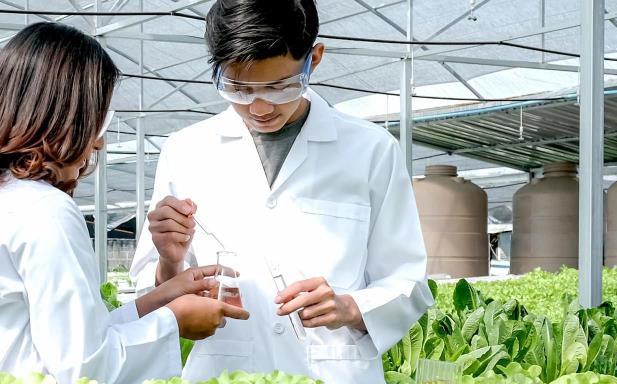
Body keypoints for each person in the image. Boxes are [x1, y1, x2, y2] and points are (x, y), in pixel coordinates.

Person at [129, 0, 434, 382]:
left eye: (279, 87)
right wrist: (168, 262)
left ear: (314, 59)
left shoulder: (370, 150)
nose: (258, 107)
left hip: (333, 371)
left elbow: (408, 280)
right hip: (224, 370)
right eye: (238, 88)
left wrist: (351, 307)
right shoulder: (186, 150)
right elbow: (151, 292)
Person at [0, 22, 249, 384]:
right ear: (68, 116)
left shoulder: (12, 198)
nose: (98, 143)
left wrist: (161, 297)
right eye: (98, 118)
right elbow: (84, 368)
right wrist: (174, 321)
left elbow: (71, 338)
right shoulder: (45, 212)